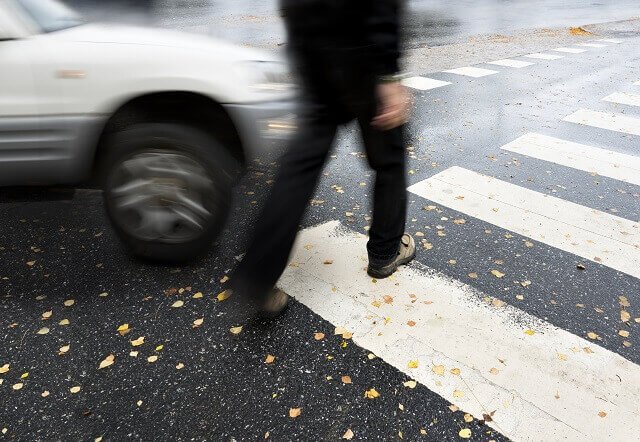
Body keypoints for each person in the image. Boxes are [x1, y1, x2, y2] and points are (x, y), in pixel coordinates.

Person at [231, 0, 414, 316]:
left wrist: (299, 40)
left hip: (311, 44)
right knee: (389, 157)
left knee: (300, 165)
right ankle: (385, 252)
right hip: (360, 45)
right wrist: (388, 74)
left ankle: (257, 275)